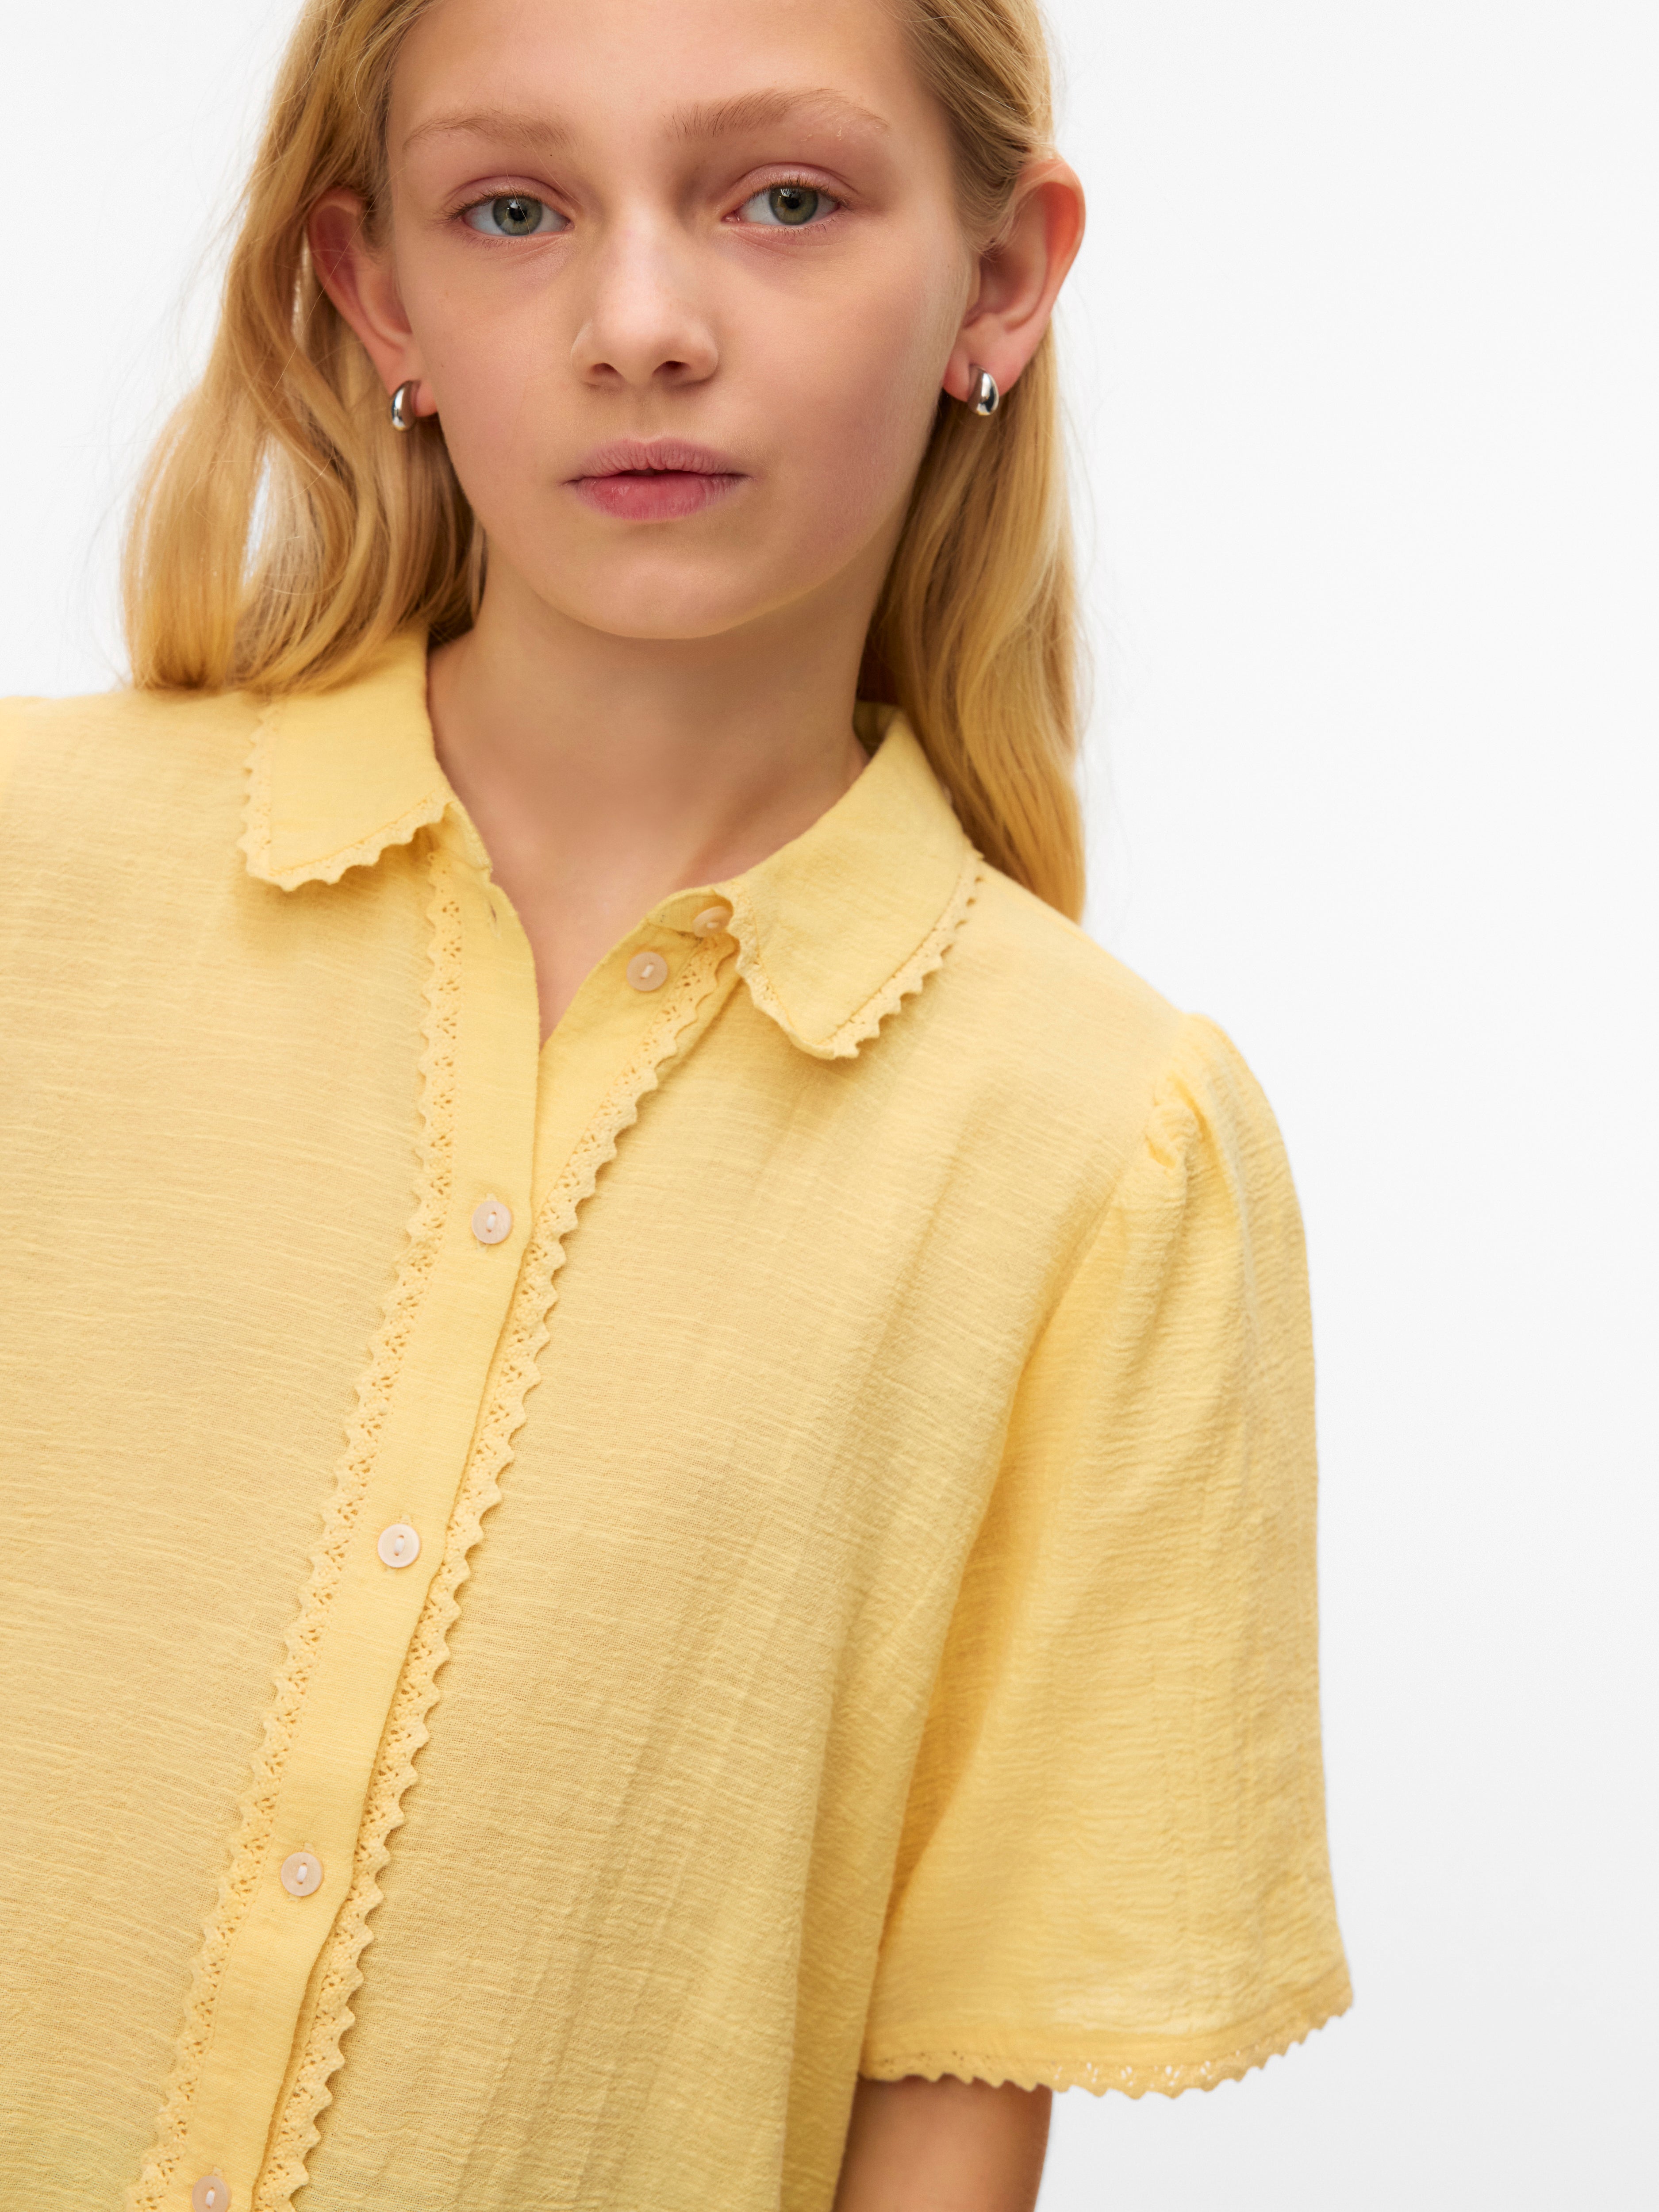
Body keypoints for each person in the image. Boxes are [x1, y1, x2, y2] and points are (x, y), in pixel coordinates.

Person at [0, 0, 1350, 2207]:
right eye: (511, 209)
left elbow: (945, 2081)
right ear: (375, 294)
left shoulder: (1101, 1147)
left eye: (781, 199)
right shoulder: (26, 875)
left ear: (999, 279)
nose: (639, 324)